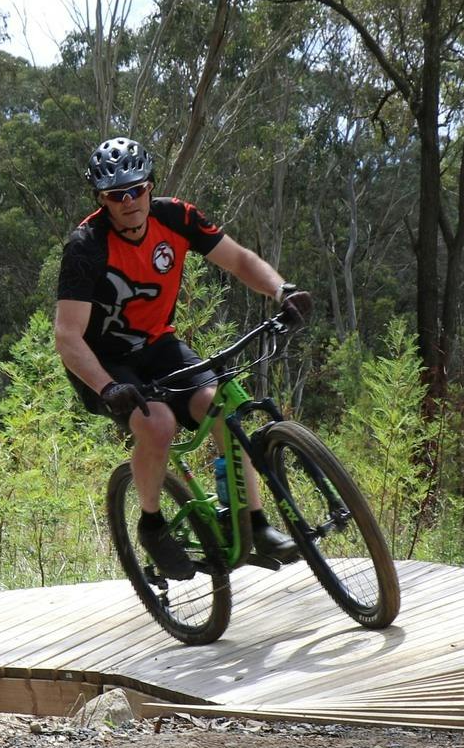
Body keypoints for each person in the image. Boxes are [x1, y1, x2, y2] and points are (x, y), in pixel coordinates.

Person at [54, 136, 312, 580]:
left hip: (158, 345)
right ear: (102, 199)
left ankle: (253, 521)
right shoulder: (86, 245)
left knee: (220, 406)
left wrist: (280, 290)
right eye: (117, 195)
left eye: (136, 189)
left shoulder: (177, 217)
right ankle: (152, 525)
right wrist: (108, 387)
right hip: (103, 362)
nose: (129, 201)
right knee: (158, 424)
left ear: (151, 186)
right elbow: (67, 336)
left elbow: (240, 260)